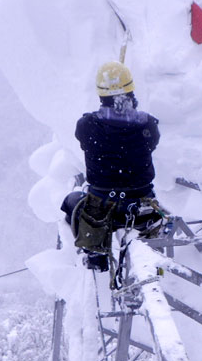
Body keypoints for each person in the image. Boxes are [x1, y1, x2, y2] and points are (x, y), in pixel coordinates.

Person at [61, 61, 163, 273]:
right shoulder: (148, 124)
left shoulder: (87, 125)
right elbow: (151, 144)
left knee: (72, 201)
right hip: (142, 206)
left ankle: (96, 255)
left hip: (101, 208)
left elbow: (83, 141)